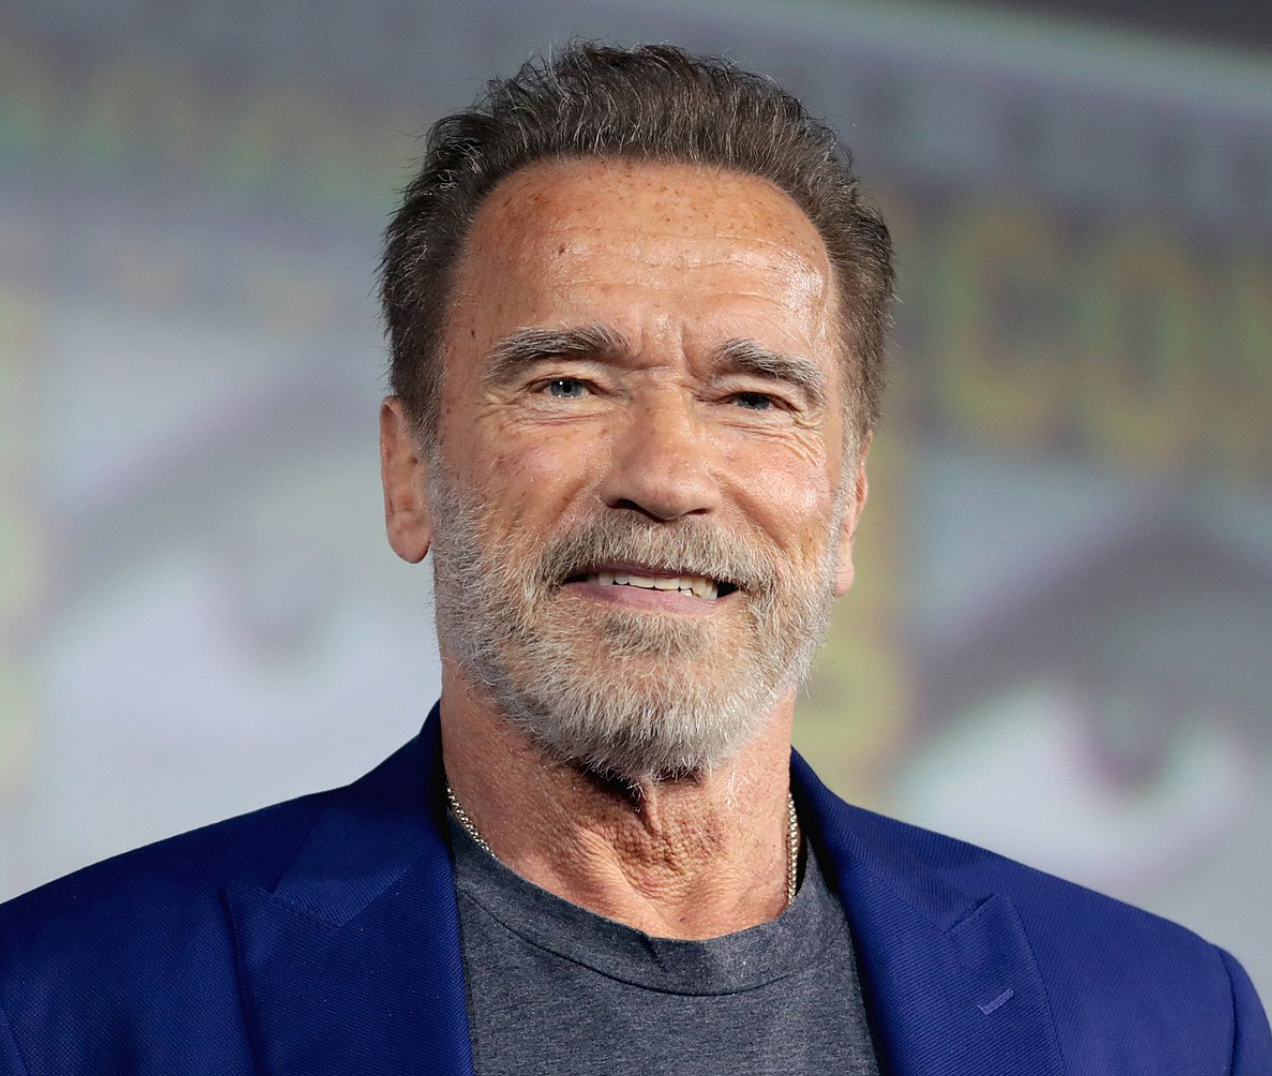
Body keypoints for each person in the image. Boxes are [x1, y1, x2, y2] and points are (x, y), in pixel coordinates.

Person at [0, 42, 1268, 1076]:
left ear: (848, 504)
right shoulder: (65, 1010)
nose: (664, 473)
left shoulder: (1167, 1027)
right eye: (568, 380)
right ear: (408, 472)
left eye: (755, 398)